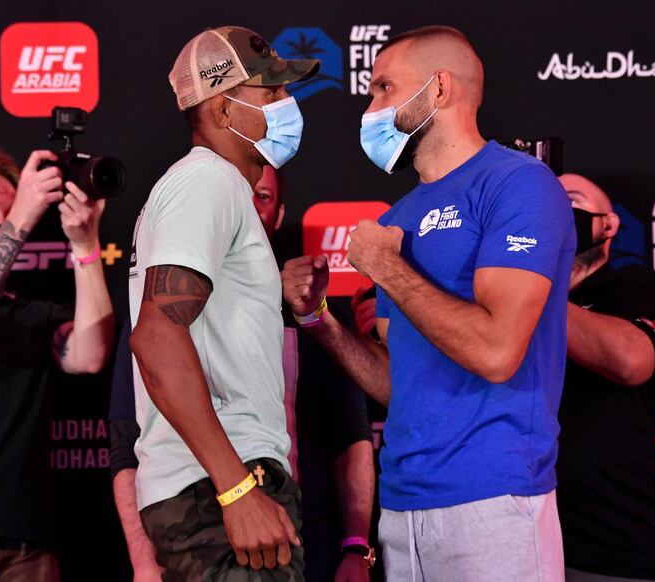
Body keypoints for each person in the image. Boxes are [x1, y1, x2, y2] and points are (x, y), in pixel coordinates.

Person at [281, 25, 575, 581]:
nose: (369, 108)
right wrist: (318, 320)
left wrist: (387, 267)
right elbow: (399, 382)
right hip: (403, 507)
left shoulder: (519, 185)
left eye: (384, 88)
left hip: (494, 498)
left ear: (439, 89)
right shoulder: (398, 221)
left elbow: (496, 351)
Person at [112, 165, 376, 581]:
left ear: (279, 212)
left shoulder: (312, 310)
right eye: (239, 191)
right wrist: (145, 564)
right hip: (215, 522)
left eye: (264, 196)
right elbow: (130, 442)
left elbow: (350, 435)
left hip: (312, 536)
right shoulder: (165, 303)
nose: (249, 202)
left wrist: (356, 546)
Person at [128, 26, 320, 580]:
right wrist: (237, 489)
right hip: (217, 485)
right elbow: (156, 337)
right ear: (220, 109)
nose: (287, 106)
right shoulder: (207, 181)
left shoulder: (218, 188)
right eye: (271, 93)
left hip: (217, 480)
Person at [0, 146, 114, 581]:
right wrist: (22, 216)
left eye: (7, 211)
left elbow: (90, 357)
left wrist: (86, 244)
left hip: (30, 555)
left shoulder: (34, 314)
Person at [556, 174, 655, 582]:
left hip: (609, 551)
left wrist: (528, 289)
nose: (557, 212)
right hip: (509, 542)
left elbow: (630, 359)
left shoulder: (640, 290)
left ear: (607, 225)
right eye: (546, 201)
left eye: (571, 201)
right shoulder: (495, 296)